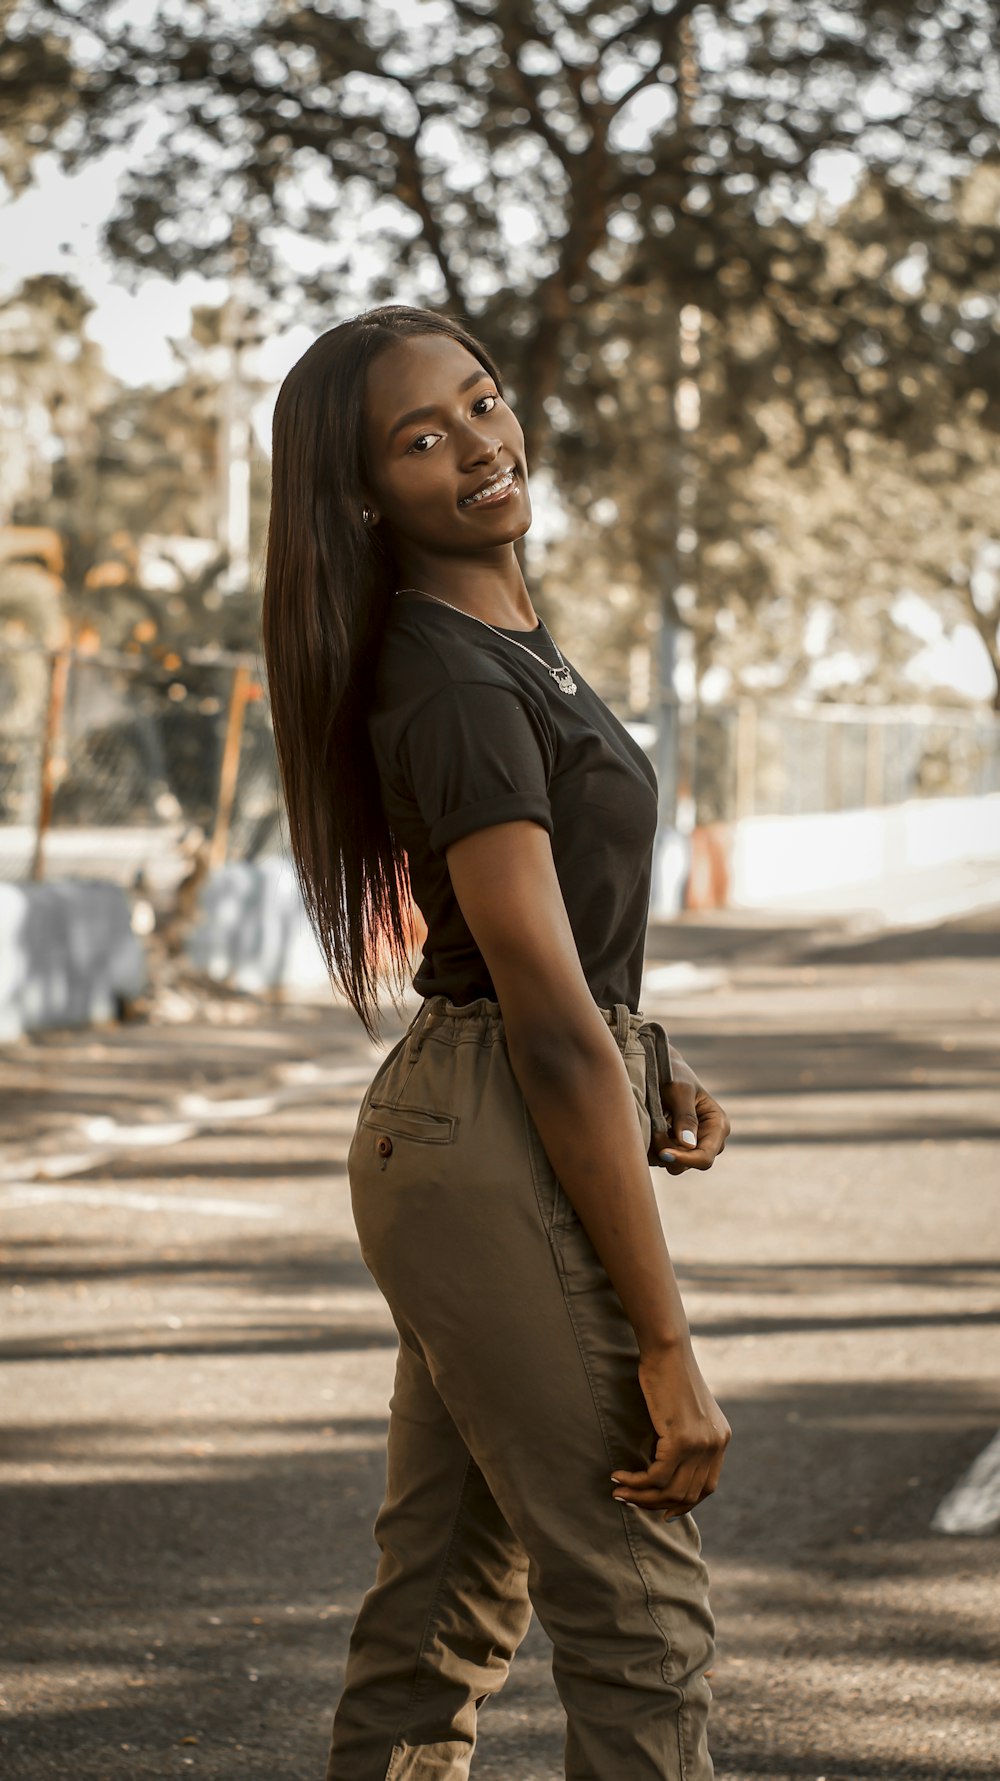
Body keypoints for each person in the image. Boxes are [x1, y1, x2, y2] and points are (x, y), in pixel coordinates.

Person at [261, 303, 732, 1781]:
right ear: (366, 494)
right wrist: (668, 1345)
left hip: (469, 1126)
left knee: (450, 1601)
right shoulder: (455, 675)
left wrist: (649, 1048)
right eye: (421, 437)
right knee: (638, 1607)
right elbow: (541, 1016)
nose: (476, 443)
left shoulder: (500, 639)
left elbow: (558, 969)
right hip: (494, 1133)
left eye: (481, 402)